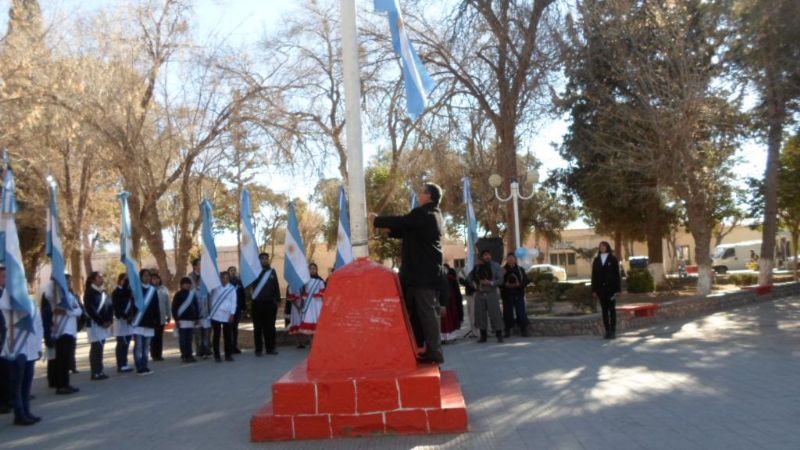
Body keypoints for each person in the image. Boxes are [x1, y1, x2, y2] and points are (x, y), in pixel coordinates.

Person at [371, 182, 447, 364]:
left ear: (429, 196)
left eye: (422, 192)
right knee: (424, 314)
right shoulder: (433, 215)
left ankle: (435, 353)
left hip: (423, 276)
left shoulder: (424, 213)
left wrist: (377, 220)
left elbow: (405, 222)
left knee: (428, 314)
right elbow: (410, 231)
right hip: (424, 275)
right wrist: (391, 231)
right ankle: (429, 349)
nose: (419, 195)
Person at [1, 267, 44, 426]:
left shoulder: (31, 302)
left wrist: (39, 345)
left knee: (27, 383)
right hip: (15, 347)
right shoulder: (6, 299)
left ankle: (26, 411)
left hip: (30, 348)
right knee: (16, 383)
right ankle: (19, 414)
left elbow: (38, 325)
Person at [45, 275, 82, 394]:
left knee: (66, 360)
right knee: (61, 360)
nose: (68, 283)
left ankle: (65, 384)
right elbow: (48, 295)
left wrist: (67, 312)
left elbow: (79, 310)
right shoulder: (54, 294)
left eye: (69, 281)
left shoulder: (70, 295)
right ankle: (61, 385)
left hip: (70, 330)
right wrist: (54, 282)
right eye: (66, 280)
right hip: (61, 331)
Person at [249, 253, 280, 356]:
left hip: (270, 304)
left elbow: (276, 286)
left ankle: (270, 348)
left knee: (270, 327)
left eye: (266, 258)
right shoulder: (254, 272)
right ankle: (258, 349)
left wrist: (278, 300)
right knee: (258, 327)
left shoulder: (272, 272)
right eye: (262, 259)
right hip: (257, 303)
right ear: (259, 260)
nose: (264, 260)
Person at [470, 250, 505, 343]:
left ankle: (499, 335)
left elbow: (501, 279)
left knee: (495, 314)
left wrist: (490, 282)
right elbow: (470, 278)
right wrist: (474, 284)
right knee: (480, 315)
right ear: (482, 257)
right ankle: (483, 336)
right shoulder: (476, 266)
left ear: (491, 256)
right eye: (485, 255)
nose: (487, 257)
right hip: (480, 293)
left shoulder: (496, 266)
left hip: (491, 292)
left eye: (488, 255)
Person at [83, 271, 112, 380]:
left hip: (105, 324)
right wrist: (101, 322)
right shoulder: (89, 292)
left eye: (102, 276)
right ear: (93, 280)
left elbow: (109, 305)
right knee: (96, 348)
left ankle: (100, 370)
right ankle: (95, 372)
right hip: (95, 325)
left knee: (100, 348)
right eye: (99, 277)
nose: (102, 279)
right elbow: (91, 310)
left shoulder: (104, 291)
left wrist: (109, 320)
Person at [131, 269, 160, 375]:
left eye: (148, 276)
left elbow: (156, 306)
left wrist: (157, 320)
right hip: (138, 321)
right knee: (138, 345)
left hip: (149, 322)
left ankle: (145, 365)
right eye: (145, 276)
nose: (147, 278)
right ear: (141, 277)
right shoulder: (136, 290)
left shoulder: (153, 290)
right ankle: (139, 366)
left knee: (146, 345)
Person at [591, 241, 622, 339]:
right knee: (604, 311)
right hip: (600, 290)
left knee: (612, 310)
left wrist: (617, 290)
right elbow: (594, 276)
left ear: (607, 247)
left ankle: (613, 331)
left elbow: (617, 275)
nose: (602, 248)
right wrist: (594, 290)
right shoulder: (596, 260)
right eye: (600, 246)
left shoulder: (613, 259)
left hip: (611, 289)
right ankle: (607, 331)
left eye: (603, 246)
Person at [501, 253, 531, 337]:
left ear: (515, 259)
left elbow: (526, 281)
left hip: (518, 294)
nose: (510, 259)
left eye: (512, 258)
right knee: (507, 313)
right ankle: (507, 331)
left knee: (521, 312)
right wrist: (505, 285)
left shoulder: (520, 270)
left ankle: (523, 330)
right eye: (509, 258)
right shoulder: (503, 270)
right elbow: (499, 281)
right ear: (506, 259)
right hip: (507, 295)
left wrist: (519, 284)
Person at [210, 271, 237, 362]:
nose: (224, 280)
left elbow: (234, 302)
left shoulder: (232, 289)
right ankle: (217, 356)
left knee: (227, 336)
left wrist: (232, 314)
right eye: (223, 278)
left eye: (226, 278)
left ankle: (228, 355)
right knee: (216, 336)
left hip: (227, 315)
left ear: (229, 279)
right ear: (220, 278)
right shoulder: (216, 287)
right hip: (216, 314)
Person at [171, 277, 199, 363]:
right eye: (185, 283)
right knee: (183, 339)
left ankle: (190, 355)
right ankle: (184, 355)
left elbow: (196, 306)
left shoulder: (192, 294)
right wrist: (176, 319)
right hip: (182, 320)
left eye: (189, 283)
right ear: (181, 285)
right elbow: (174, 307)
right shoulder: (178, 294)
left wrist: (196, 318)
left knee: (189, 339)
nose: (187, 285)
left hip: (191, 320)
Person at [112, 273, 134, 373]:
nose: (127, 283)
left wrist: (131, 316)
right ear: (120, 280)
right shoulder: (116, 292)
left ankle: (124, 362)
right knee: (122, 343)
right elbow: (117, 307)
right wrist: (125, 316)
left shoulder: (129, 292)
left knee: (127, 343)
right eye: (125, 280)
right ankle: (121, 364)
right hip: (120, 321)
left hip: (129, 321)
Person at [189, 259, 212, 359]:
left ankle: (207, 349)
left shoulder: (206, 276)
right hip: (196, 309)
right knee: (198, 333)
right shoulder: (189, 277)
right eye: (199, 264)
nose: (201, 266)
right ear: (194, 266)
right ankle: (199, 350)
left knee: (207, 332)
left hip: (206, 308)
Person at [299, 263, 326, 336]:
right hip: (308, 305)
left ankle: (317, 344)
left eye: (314, 269)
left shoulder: (320, 281)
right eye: (310, 269)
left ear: (317, 270)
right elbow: (302, 292)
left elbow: (323, 295)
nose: (312, 270)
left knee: (318, 322)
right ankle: (311, 344)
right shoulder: (305, 281)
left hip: (317, 304)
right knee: (309, 323)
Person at [149, 273, 171, 361]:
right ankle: (153, 354)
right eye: (153, 279)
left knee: (159, 336)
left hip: (161, 316)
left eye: (156, 278)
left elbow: (167, 304)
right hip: (152, 317)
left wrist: (169, 315)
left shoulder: (164, 289)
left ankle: (159, 354)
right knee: (153, 337)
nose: (155, 280)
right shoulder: (149, 289)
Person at [439, 264, 463, 343]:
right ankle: (444, 337)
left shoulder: (450, 278)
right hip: (444, 300)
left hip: (449, 301)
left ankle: (449, 337)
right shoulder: (443, 278)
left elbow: (456, 291)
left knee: (449, 320)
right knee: (443, 321)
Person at [227, 266, 245, 354]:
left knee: (235, 328)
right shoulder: (226, 283)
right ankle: (229, 347)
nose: (233, 272)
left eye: (234, 270)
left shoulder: (239, 282)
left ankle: (235, 346)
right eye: (231, 271)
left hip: (237, 308)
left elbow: (242, 295)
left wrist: (243, 307)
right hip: (228, 310)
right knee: (229, 328)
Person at [0, 268, 10, 415]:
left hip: (9, 336)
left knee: (7, 370)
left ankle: (8, 399)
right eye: (4, 276)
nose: (6, 278)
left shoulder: (6, 293)